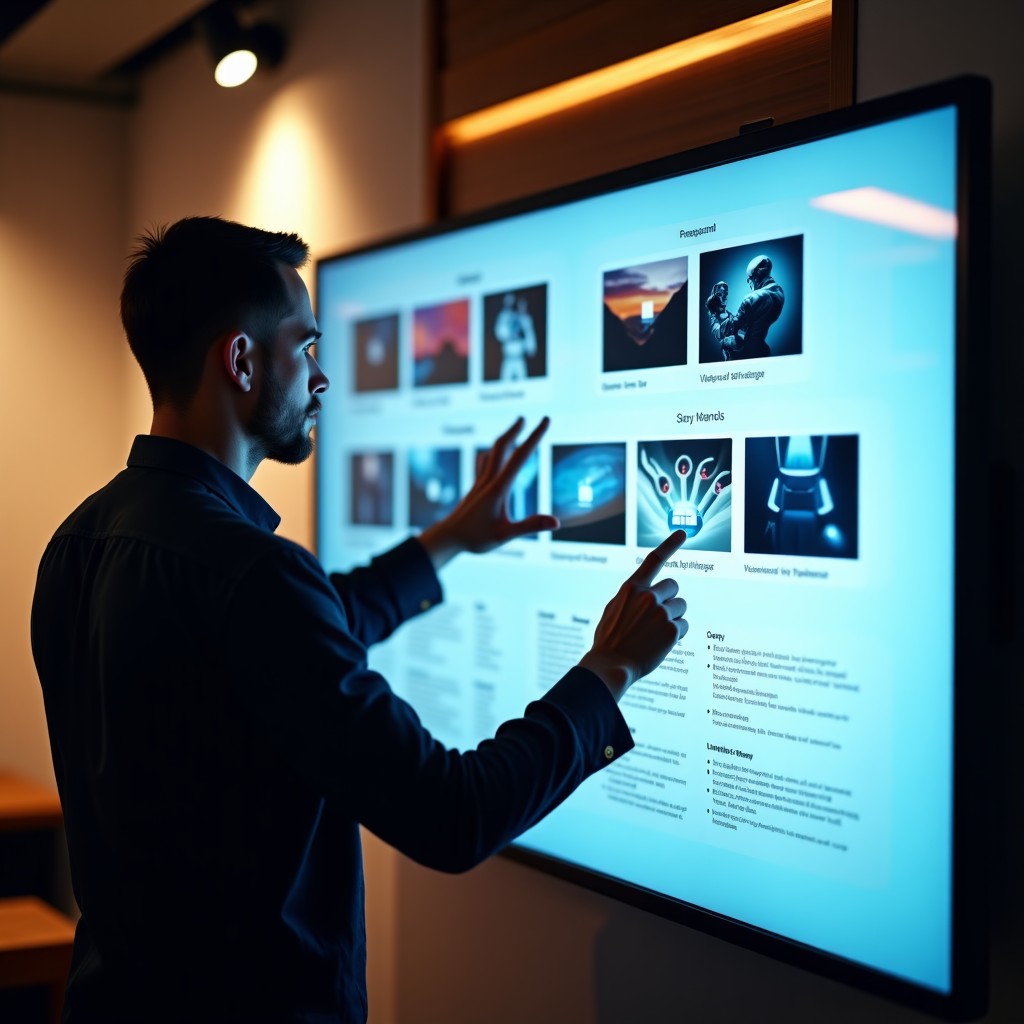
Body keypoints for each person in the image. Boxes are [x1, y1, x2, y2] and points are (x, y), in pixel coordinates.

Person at [30, 216, 689, 1024]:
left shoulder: (77, 543)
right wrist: (608, 672)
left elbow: (284, 643)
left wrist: (447, 541)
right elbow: (454, 814)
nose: (321, 378)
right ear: (240, 361)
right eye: (305, 348)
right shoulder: (252, 575)